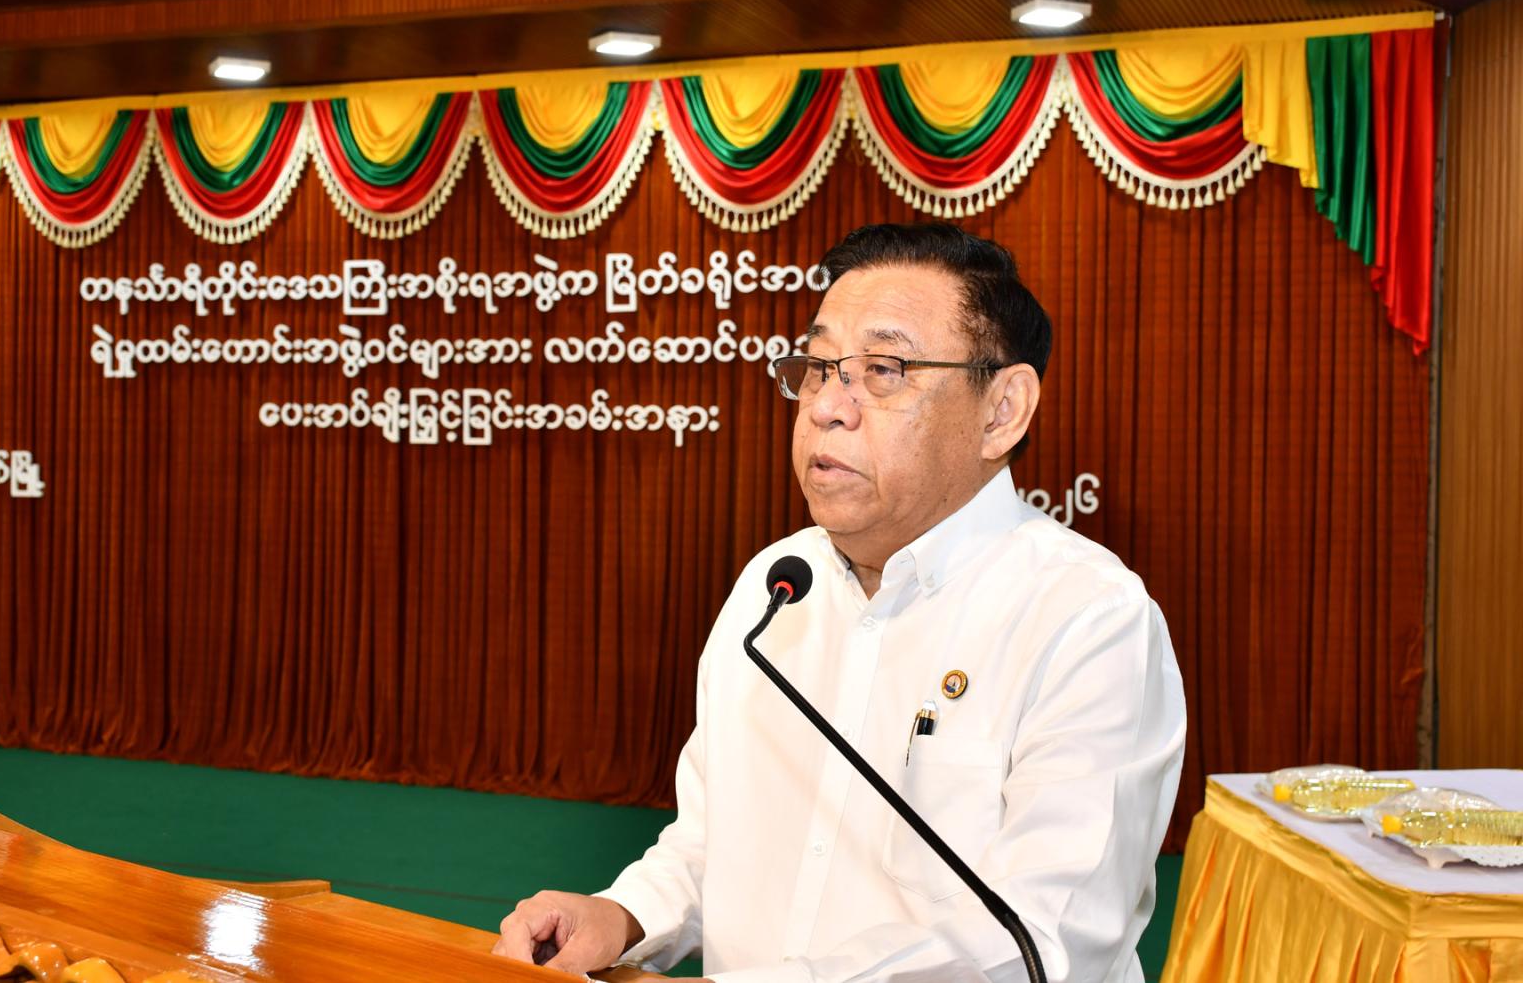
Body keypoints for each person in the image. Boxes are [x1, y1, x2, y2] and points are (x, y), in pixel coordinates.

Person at [493, 223, 1187, 982]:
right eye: (820, 367)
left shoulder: (1088, 620)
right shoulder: (774, 588)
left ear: (1002, 410)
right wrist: (624, 915)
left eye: (884, 370)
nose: (827, 405)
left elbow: (1042, 943)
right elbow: (710, 846)